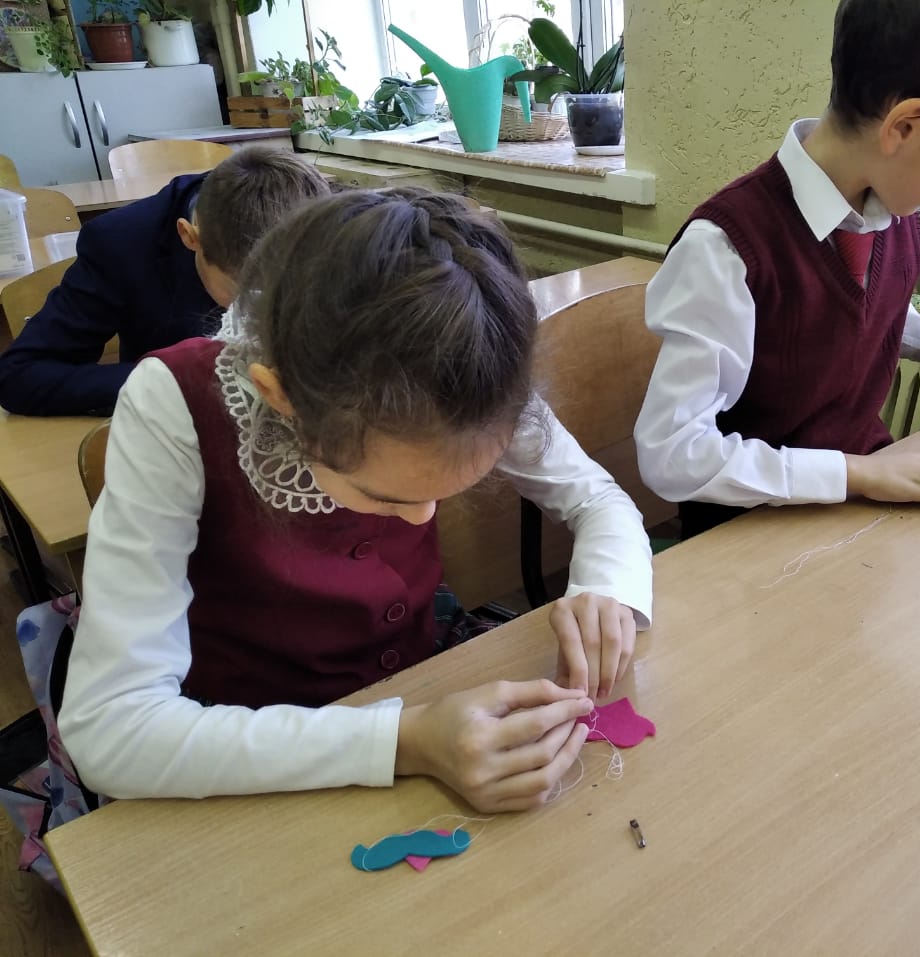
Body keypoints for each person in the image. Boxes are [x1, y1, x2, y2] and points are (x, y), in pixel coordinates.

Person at [59, 188, 653, 814]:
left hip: (419, 678)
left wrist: (607, 587)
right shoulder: (174, 402)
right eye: (384, 495)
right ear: (280, 397)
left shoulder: (473, 363)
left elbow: (597, 500)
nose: (423, 519)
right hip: (244, 740)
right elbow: (111, 729)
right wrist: (404, 740)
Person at [634, 0, 920, 540]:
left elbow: (868, 314)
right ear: (906, 126)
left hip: (857, 511)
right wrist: (858, 473)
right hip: (750, 534)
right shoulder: (726, 249)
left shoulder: (887, 209)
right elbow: (672, 454)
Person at [0, 147, 329, 417]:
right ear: (190, 237)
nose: (267, 312)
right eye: (244, 294)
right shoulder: (121, 244)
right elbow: (21, 376)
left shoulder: (333, 231)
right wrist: (174, 378)